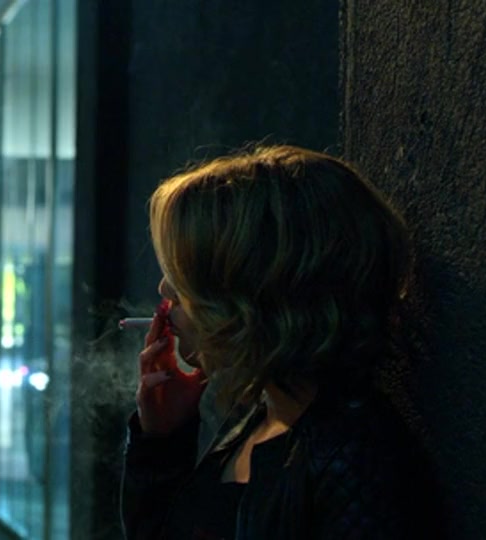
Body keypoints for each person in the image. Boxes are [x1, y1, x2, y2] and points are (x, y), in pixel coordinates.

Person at [122, 145, 443, 538]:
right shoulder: (261, 418)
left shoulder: (355, 459)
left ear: (251, 292)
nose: (165, 290)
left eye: (185, 277)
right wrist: (161, 445)